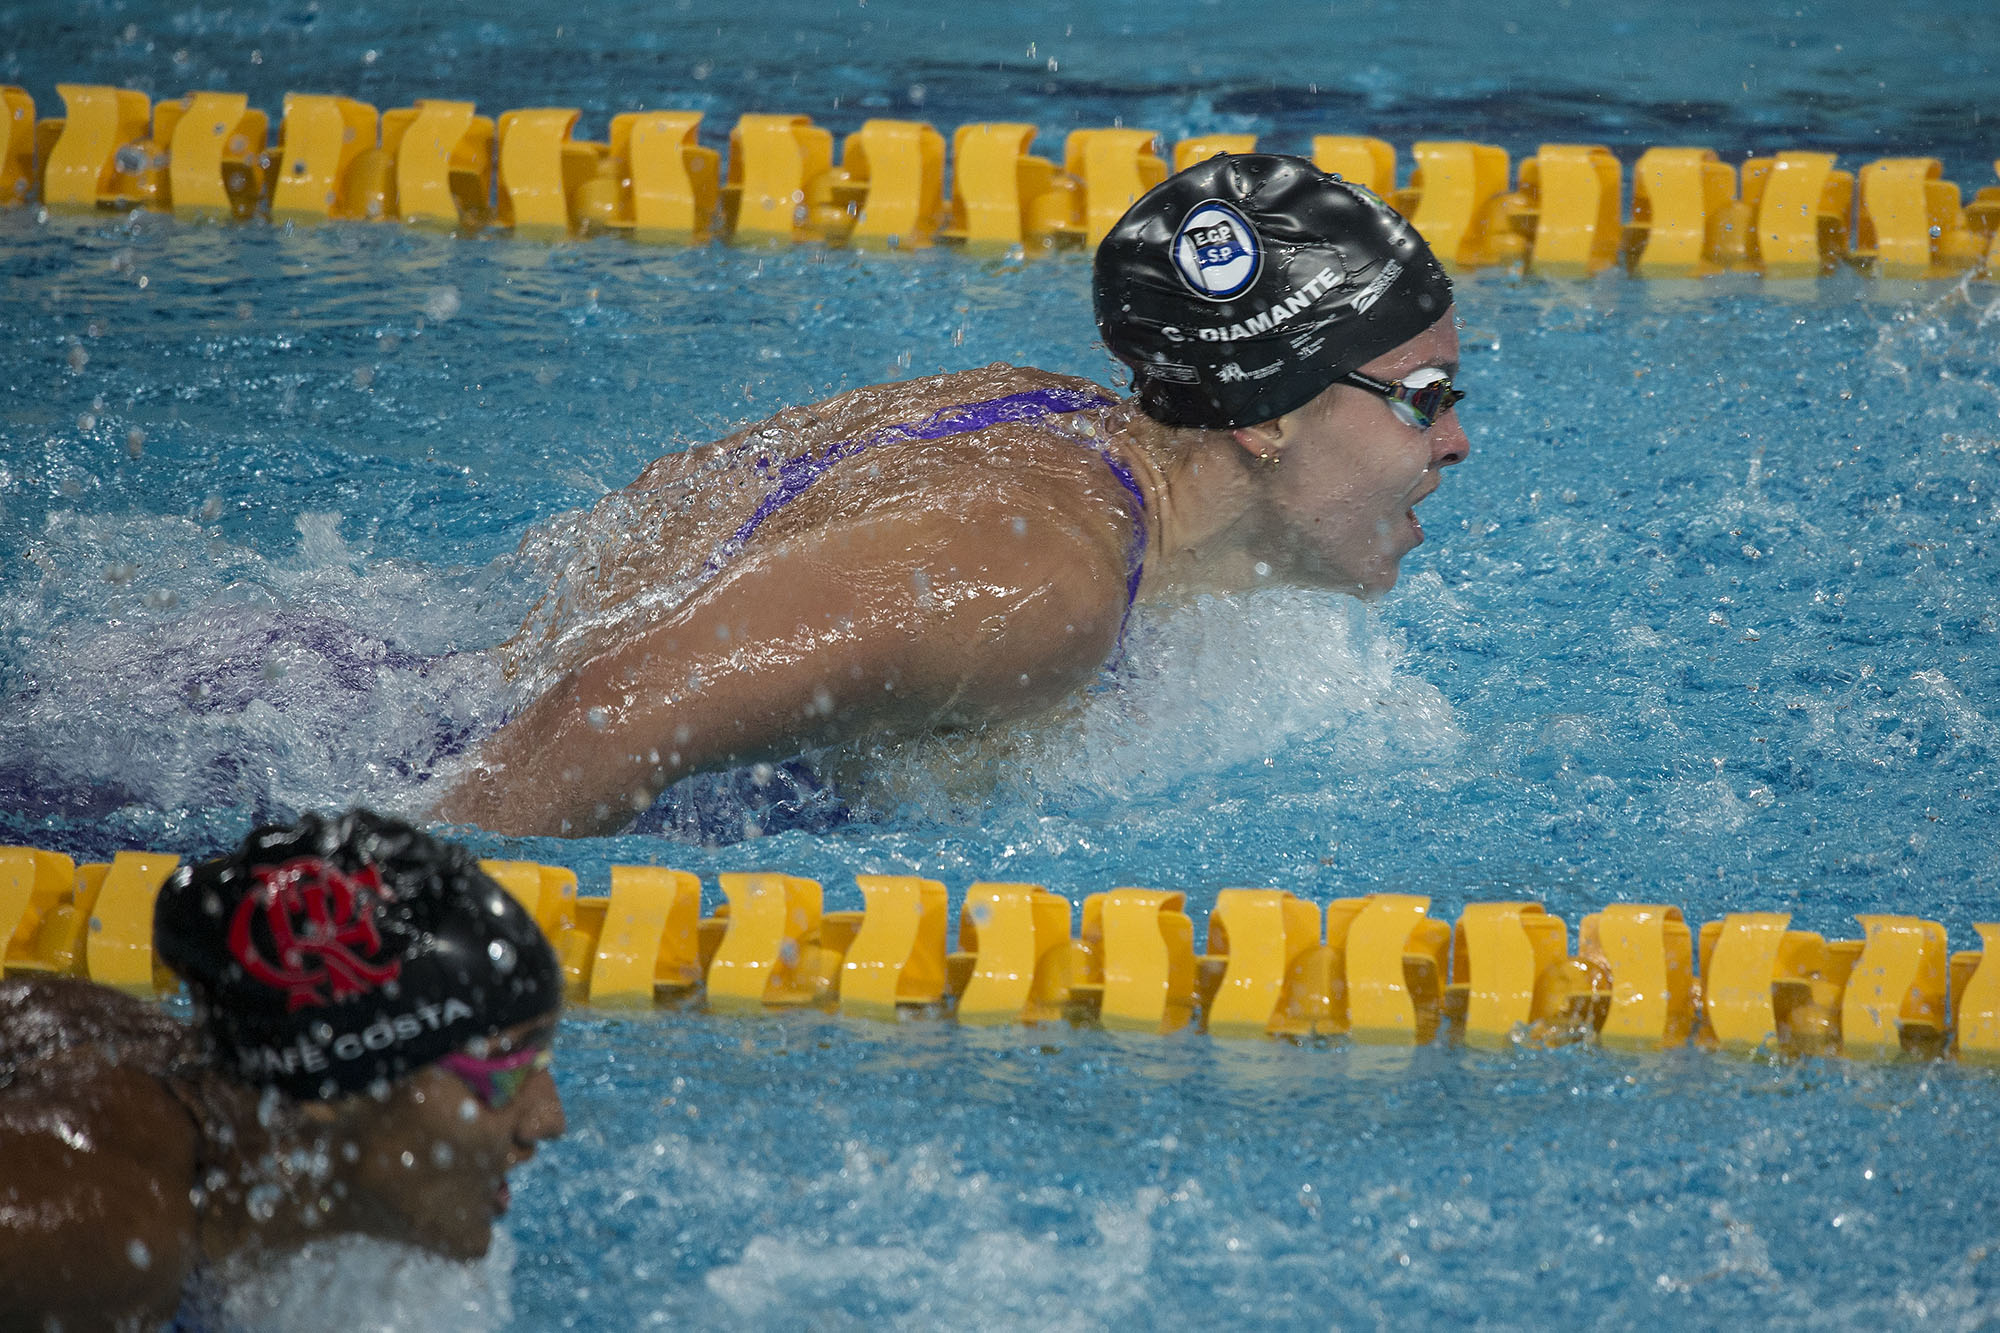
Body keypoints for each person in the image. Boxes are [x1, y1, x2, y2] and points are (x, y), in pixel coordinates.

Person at [432, 152, 1471, 838]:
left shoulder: (1048, 422)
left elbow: (652, 523)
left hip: (431, 698)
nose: (1456, 443)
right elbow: (604, 717)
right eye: (1422, 397)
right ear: (1264, 414)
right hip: (442, 783)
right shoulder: (1034, 584)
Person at [0, 810, 566, 1330]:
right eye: (504, 1069)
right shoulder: (99, 1231)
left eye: (542, 1058)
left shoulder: (192, 1091)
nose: (547, 1120)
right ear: (331, 1088)